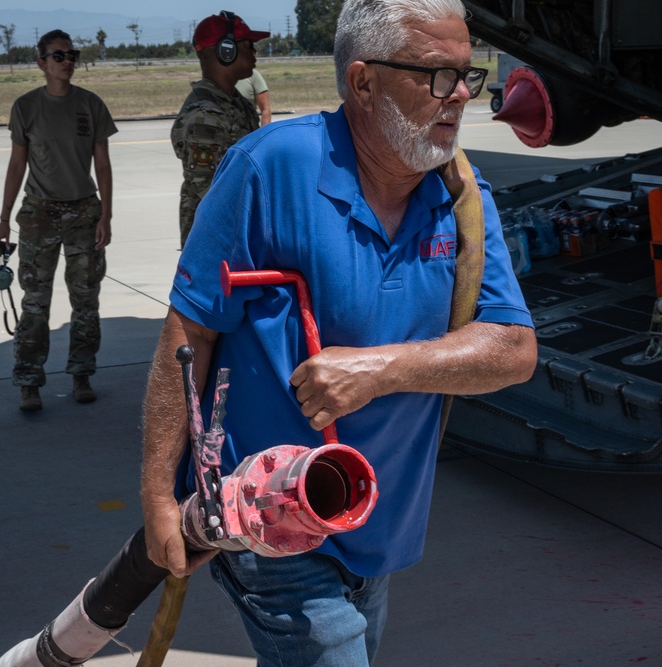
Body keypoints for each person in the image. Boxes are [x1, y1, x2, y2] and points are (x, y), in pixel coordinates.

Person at [141, 0, 537, 664]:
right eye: (438, 75)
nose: (463, 94)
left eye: (471, 73)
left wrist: (381, 369)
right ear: (362, 82)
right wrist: (158, 493)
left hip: (374, 520)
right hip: (269, 517)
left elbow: (513, 348)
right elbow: (191, 331)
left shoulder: (464, 199)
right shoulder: (269, 169)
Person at [0, 29, 117, 413]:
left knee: (85, 300)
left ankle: (82, 374)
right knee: (35, 302)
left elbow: (102, 163)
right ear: (41, 63)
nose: (67, 62)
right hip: (39, 214)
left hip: (84, 212)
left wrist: (106, 215)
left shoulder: (91, 105)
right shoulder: (26, 107)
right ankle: (29, 382)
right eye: (58, 56)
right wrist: (3, 219)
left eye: (71, 55)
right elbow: (17, 164)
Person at [170, 11, 269, 248]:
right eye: (249, 45)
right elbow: (210, 192)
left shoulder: (237, 104)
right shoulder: (205, 116)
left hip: (236, 236)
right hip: (215, 244)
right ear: (227, 50)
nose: (255, 53)